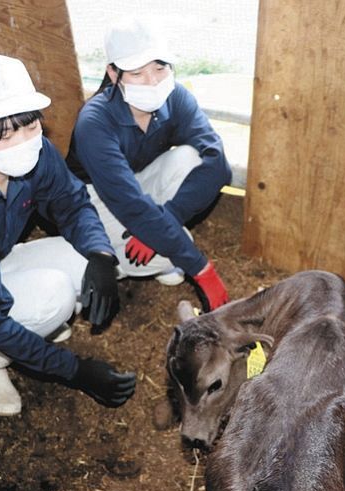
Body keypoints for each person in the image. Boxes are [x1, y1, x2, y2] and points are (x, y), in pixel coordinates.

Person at [0, 52, 136, 416]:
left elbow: (71, 202)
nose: (21, 141)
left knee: (81, 264)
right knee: (55, 295)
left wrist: (101, 255)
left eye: (29, 125)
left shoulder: (36, 152)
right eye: (2, 134)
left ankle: (32, 327)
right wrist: (75, 372)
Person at [67, 16, 231, 312]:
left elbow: (218, 164)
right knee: (174, 251)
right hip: (92, 198)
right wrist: (201, 269)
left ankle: (150, 231)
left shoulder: (175, 96)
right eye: (137, 73)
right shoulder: (94, 122)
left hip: (135, 180)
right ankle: (93, 259)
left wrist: (167, 216)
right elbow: (126, 201)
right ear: (113, 73)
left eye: (160, 67)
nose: (153, 81)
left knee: (190, 158)